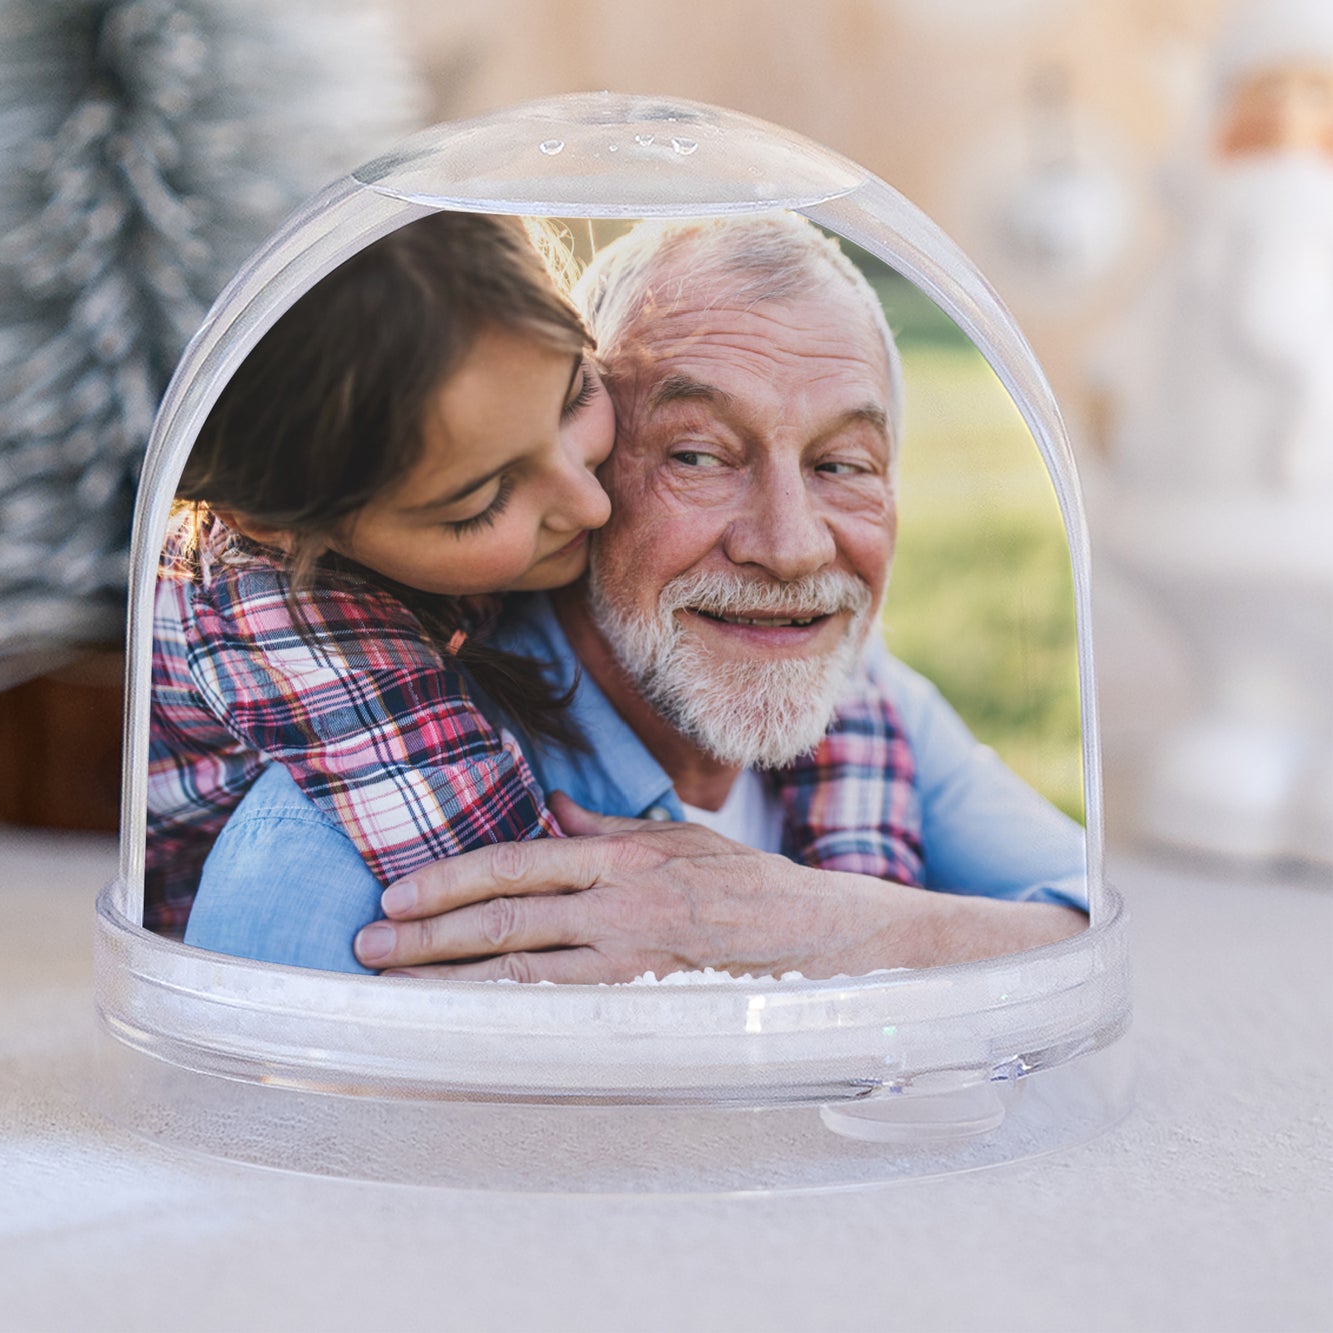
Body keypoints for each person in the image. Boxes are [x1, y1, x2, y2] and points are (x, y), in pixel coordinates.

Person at [185, 213, 1088, 980]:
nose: (790, 546)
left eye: (840, 464)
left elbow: (1107, 932)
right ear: (604, 464)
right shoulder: (330, 854)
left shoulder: (871, 705)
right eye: (697, 454)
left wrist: (810, 930)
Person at [145, 211, 615, 935]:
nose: (590, 502)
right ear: (278, 524)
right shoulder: (278, 622)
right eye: (482, 501)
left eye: (576, 396)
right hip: (221, 922)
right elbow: (523, 904)